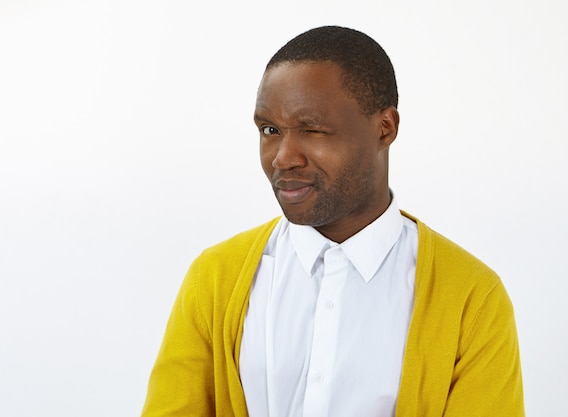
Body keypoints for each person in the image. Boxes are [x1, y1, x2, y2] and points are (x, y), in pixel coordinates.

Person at [141, 26, 524, 417]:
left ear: (385, 128)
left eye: (313, 130)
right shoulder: (215, 279)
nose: (282, 157)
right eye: (269, 130)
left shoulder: (472, 298)